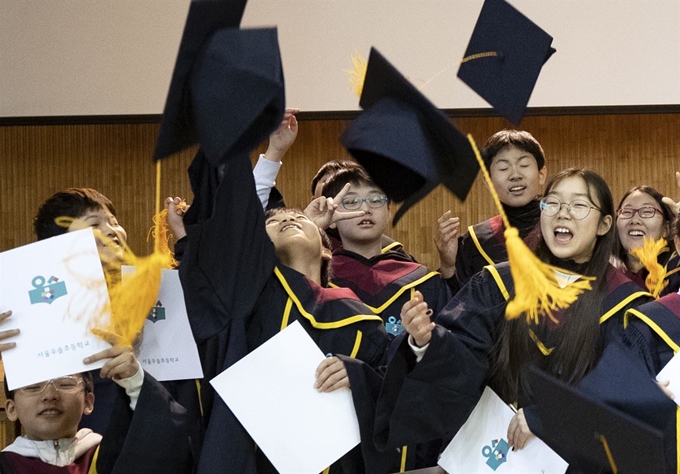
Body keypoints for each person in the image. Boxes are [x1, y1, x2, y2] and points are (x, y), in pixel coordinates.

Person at [368, 169, 656, 471]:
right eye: (553, 203)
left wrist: (553, 415)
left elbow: (630, 394)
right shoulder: (499, 283)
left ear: (604, 224)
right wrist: (426, 341)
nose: (562, 214)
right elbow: (463, 356)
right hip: (487, 453)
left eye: (578, 206)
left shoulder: (624, 305)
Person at [176, 145, 389, 474]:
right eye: (274, 221)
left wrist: (358, 375)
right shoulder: (245, 299)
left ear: (327, 249)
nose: (288, 217)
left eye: (298, 217)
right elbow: (233, 222)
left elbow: (396, 390)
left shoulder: (362, 320)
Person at [32, 188, 202, 461]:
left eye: (113, 221)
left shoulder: (162, 291)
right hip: (87, 457)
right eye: (94, 225)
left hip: (168, 447)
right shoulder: (38, 317)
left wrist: (185, 237)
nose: (113, 231)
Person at [0, 310, 192, 473]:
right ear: (11, 408)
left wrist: (133, 380)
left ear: (89, 402)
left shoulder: (109, 457)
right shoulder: (6, 465)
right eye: (33, 387)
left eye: (66, 384)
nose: (50, 395)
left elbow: (166, 450)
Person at [320, 166, 451, 341]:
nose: (366, 208)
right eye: (351, 202)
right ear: (332, 218)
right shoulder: (321, 279)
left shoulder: (424, 281)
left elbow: (449, 347)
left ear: (388, 213)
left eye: (375, 199)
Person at [436, 129, 547, 293]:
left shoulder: (564, 229)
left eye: (524, 165)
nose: (515, 175)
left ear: (541, 174)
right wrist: (448, 265)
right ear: (488, 182)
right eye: (503, 168)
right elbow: (456, 307)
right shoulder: (474, 243)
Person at [614, 185, 675, 292]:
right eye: (627, 211)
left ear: (666, 228)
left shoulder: (675, 274)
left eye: (647, 211)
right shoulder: (604, 277)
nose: (635, 220)